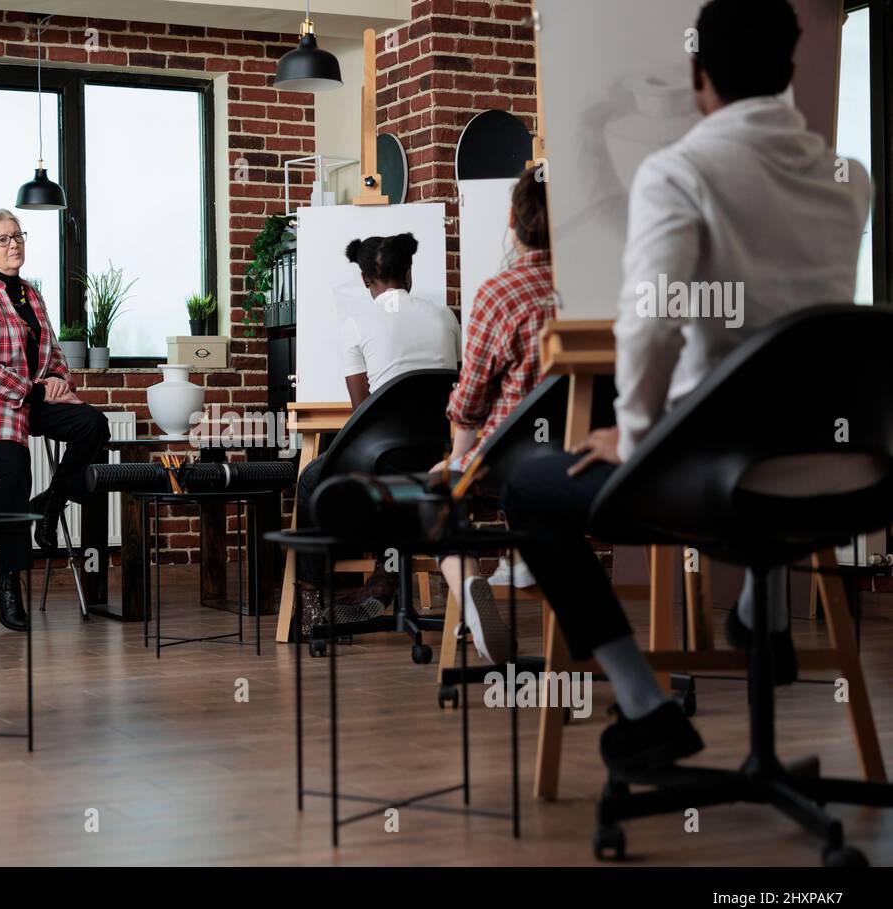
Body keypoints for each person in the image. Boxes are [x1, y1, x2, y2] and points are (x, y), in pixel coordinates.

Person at [501, 0, 871, 771]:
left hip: (725, 473)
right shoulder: (849, 181)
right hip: (841, 469)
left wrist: (633, 436)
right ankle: (759, 614)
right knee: (769, 460)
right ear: (789, 70)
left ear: (698, 76)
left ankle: (648, 707)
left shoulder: (681, 169)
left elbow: (650, 324)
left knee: (530, 490)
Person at [0, 209, 109, 632]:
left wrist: (55, 378)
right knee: (15, 471)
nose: (13, 244)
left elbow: (53, 353)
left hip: (31, 395)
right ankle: (7, 583)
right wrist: (36, 390)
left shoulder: (31, 296)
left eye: (17, 236)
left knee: (92, 423)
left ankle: (51, 502)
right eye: (2, 239)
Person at [295, 232, 462, 636]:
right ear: (408, 271)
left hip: (381, 461)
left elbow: (362, 413)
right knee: (400, 481)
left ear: (367, 281)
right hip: (437, 458)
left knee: (311, 480)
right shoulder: (446, 317)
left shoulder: (356, 324)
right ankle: (388, 577)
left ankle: (312, 604)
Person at [430, 165, 554, 664]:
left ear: (512, 219)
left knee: (436, 496)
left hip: (508, 464)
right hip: (589, 460)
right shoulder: (604, 291)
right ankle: (531, 557)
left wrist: (457, 461)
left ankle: (470, 583)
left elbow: (470, 401)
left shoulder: (501, 294)